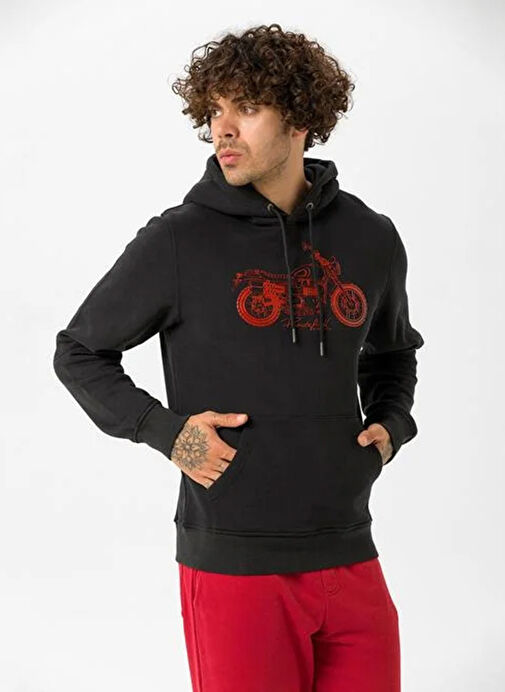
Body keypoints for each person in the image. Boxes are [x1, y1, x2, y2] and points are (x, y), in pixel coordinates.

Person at [53, 23, 424, 692]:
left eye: (246, 108)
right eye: (214, 111)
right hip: (235, 563)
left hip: (351, 552)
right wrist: (166, 433)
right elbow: (79, 350)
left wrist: (391, 426)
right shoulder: (178, 240)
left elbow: (393, 353)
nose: (221, 129)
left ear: (301, 118)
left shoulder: (370, 238)